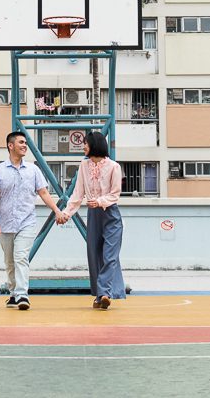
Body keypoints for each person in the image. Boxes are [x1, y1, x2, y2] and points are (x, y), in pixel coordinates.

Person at [0, 131, 65, 310]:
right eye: (21, 142)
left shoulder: (33, 170)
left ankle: (22, 295)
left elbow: (44, 193)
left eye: (26, 143)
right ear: (10, 145)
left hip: (27, 222)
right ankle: (14, 293)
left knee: (21, 257)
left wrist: (56, 210)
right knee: (9, 262)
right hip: (5, 223)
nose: (24, 145)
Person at [59, 132, 126, 310]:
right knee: (94, 255)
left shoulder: (114, 167)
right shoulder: (83, 165)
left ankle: (105, 293)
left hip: (110, 214)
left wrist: (99, 201)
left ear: (95, 145)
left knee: (109, 255)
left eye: (86, 144)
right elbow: (78, 193)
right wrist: (67, 213)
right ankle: (100, 295)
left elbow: (115, 194)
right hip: (93, 215)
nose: (83, 147)